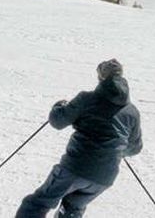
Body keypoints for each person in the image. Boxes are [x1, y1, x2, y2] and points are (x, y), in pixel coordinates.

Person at [16, 59, 142, 218]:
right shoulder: (132, 112)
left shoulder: (87, 99)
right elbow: (135, 148)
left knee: (38, 203)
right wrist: (117, 148)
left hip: (76, 167)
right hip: (104, 176)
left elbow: (58, 121)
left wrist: (59, 106)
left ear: (101, 78)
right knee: (72, 209)